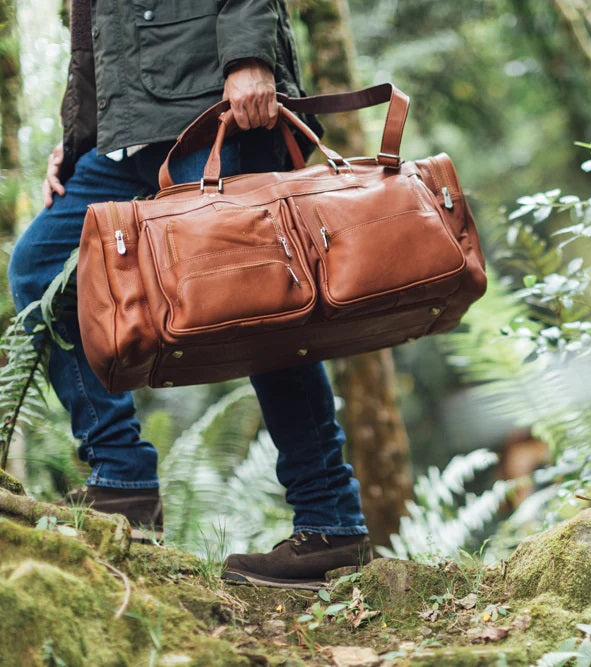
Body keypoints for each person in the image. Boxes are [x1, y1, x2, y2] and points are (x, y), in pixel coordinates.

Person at [7, 0, 372, 588]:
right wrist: (81, 138)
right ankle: (123, 481)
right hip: (127, 136)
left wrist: (252, 58)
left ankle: (331, 520)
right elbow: (97, 31)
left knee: (262, 301)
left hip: (218, 109)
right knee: (40, 268)